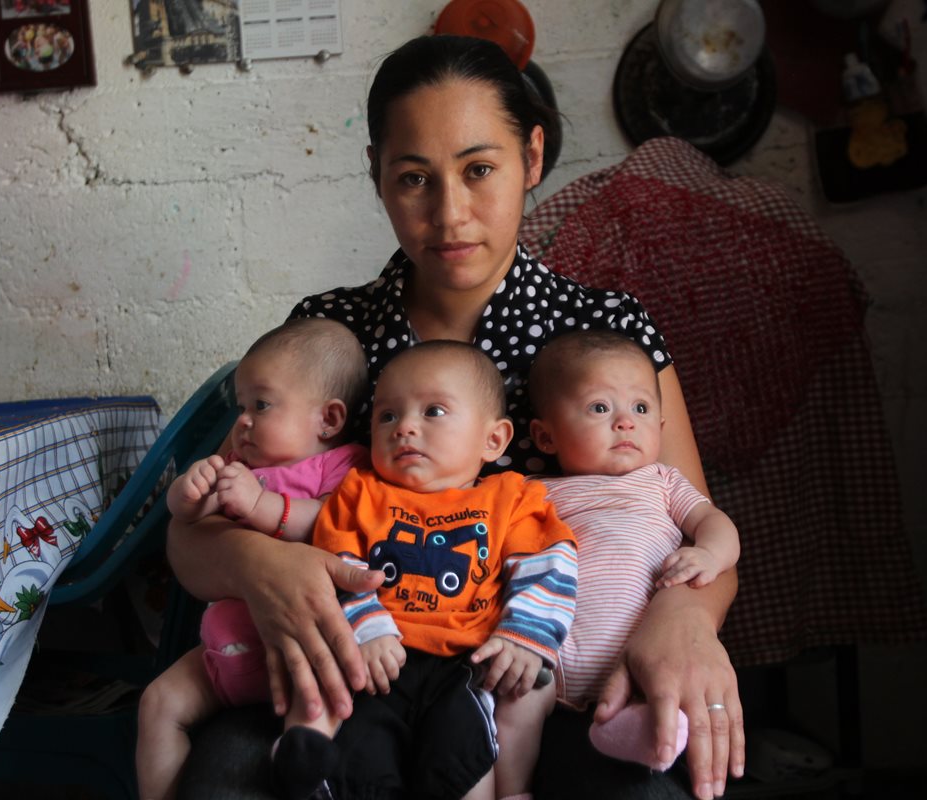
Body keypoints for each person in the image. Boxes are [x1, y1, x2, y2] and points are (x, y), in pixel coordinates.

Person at [168, 34, 744, 800]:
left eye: (480, 170)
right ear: (376, 174)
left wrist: (685, 617)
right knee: (225, 781)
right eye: (414, 178)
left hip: (548, 680)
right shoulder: (331, 336)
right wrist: (258, 563)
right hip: (354, 677)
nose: (450, 214)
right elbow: (195, 532)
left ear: (532, 159)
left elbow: (698, 536)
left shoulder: (605, 333)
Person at [299, 341, 575, 800]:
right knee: (357, 766)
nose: (404, 427)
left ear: (494, 439)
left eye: (434, 412)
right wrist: (366, 629)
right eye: (387, 416)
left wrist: (523, 636)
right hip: (378, 663)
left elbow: (548, 562)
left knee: (463, 764)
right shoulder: (360, 492)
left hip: (465, 666)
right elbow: (337, 565)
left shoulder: (510, 497)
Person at [136, 318, 370, 800]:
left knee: (311, 709)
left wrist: (261, 506)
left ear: (328, 419)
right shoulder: (241, 468)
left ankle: (298, 756)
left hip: (300, 647)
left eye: (260, 405)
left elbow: (336, 523)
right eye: (240, 406)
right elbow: (189, 525)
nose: (242, 422)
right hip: (223, 649)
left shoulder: (344, 465)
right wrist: (190, 494)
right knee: (158, 702)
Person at [513, 330, 740, 775]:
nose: (625, 422)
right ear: (545, 437)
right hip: (545, 662)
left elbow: (714, 522)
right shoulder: (530, 493)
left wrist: (710, 555)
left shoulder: (661, 482)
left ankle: (635, 735)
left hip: (635, 657)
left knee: (649, 709)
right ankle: (511, 784)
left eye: (640, 408)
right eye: (600, 408)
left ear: (659, 426)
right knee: (510, 712)